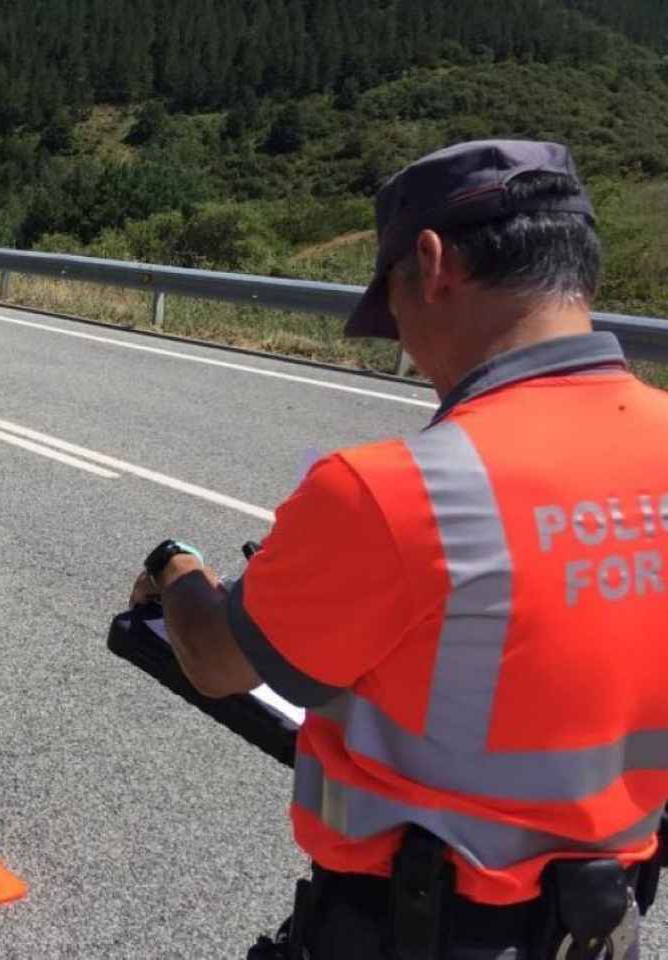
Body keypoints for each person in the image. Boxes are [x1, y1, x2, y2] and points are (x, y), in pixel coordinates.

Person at [129, 140, 668, 959]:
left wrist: (178, 567)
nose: (408, 348)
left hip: (419, 932)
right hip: (604, 928)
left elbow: (213, 659)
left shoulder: (396, 491)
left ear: (432, 261)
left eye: (394, 308)